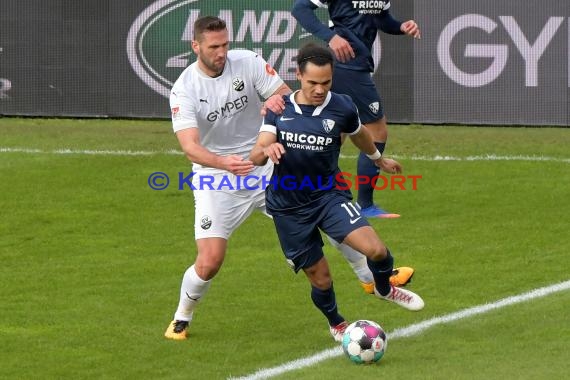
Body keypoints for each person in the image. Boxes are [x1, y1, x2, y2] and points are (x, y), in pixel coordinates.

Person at [164, 16, 412, 340]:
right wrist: (226, 164)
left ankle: (372, 278)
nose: (222, 52)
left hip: (270, 159)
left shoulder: (248, 62)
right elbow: (191, 148)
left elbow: (286, 96)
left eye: (225, 44)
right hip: (219, 177)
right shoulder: (185, 89)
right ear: (196, 46)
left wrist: (277, 108)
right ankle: (182, 317)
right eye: (214, 47)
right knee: (210, 260)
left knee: (326, 210)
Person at [249, 43, 424, 341]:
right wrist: (268, 148)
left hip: (329, 196)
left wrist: (378, 160)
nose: (319, 89)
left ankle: (384, 288)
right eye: (312, 82)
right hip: (288, 207)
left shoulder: (342, 106)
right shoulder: (280, 108)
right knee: (321, 278)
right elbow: (255, 156)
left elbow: (359, 135)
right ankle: (337, 323)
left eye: (326, 82)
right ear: (298, 75)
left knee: (378, 251)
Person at [292, 0, 421, 219]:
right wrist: (332, 37)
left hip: (357, 64)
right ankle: (365, 205)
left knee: (335, 133)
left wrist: (400, 26)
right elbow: (300, 8)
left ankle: (303, 194)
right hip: (348, 65)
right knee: (376, 130)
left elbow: (382, 19)